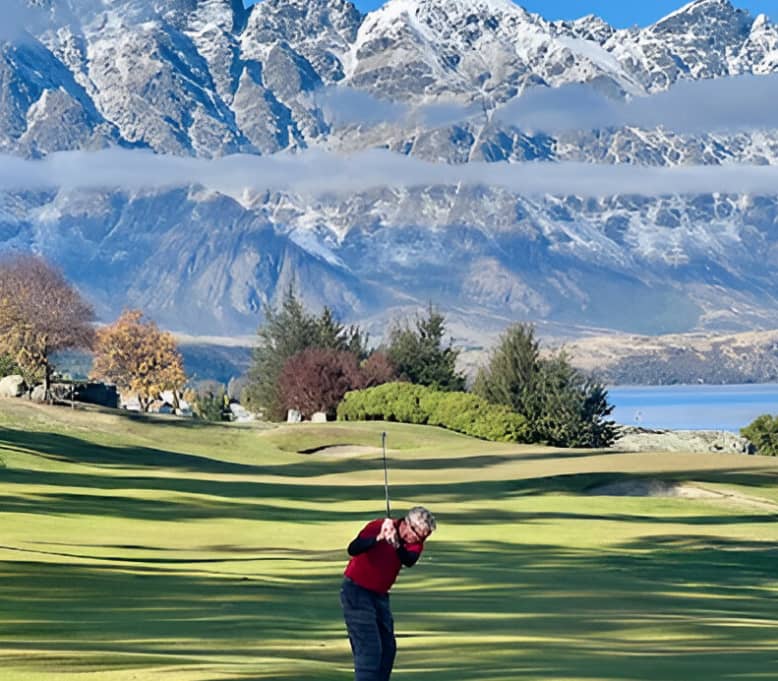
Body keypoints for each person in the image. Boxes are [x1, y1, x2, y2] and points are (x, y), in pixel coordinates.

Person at [340, 506, 437, 681]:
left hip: (380, 596)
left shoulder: (414, 543)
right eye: (417, 533)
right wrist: (379, 538)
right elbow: (353, 549)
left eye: (424, 536)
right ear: (407, 523)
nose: (418, 538)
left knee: (387, 649)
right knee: (369, 648)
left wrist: (396, 544)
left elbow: (408, 560)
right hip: (356, 590)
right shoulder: (377, 526)